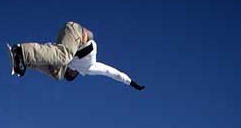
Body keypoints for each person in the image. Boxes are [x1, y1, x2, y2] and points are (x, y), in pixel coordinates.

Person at [9, 21, 145, 90]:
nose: (69, 70)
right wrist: (131, 83)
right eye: (70, 72)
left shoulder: (69, 62)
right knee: (64, 57)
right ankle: (22, 51)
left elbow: (48, 50)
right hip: (78, 33)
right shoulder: (89, 68)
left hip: (67, 38)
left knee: (58, 74)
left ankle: (25, 61)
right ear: (76, 74)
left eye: (67, 71)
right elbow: (111, 72)